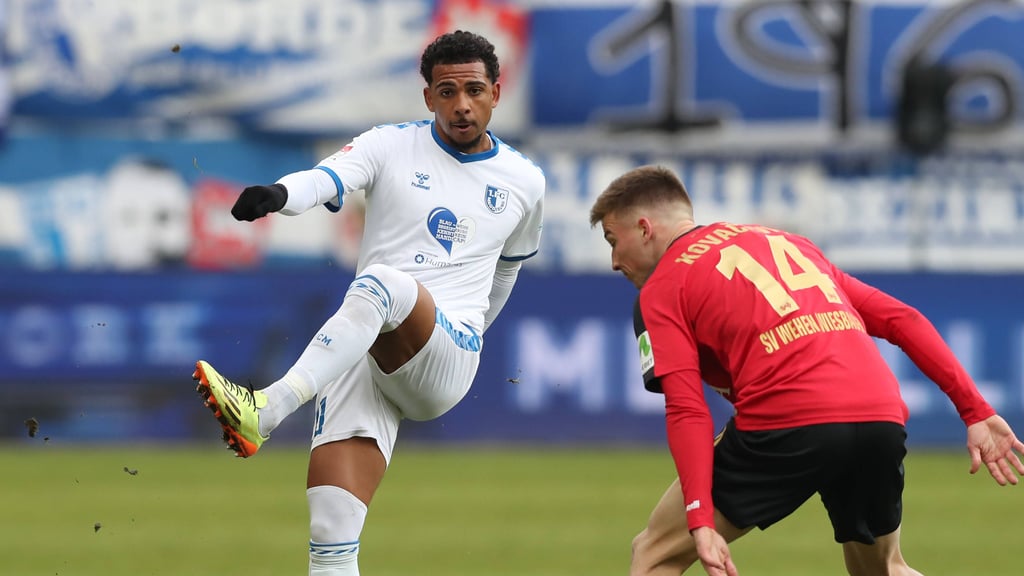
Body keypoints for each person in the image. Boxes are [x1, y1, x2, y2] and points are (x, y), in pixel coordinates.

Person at [192, 30, 544, 576]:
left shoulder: (525, 181)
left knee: (381, 282)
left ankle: (268, 408)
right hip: (373, 342)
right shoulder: (388, 144)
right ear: (427, 96)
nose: (462, 105)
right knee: (331, 532)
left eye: (474, 90)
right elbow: (326, 178)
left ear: (497, 92)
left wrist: (470, 330)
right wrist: (281, 196)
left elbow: (507, 271)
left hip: (447, 352)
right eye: (447, 91)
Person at [588, 165, 1024, 576]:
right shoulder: (789, 243)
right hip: (880, 417)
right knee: (883, 569)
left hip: (789, 423)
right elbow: (902, 319)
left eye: (612, 239)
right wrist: (976, 411)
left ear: (644, 229)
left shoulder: (663, 289)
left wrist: (701, 519)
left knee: (653, 554)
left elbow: (688, 409)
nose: (612, 261)